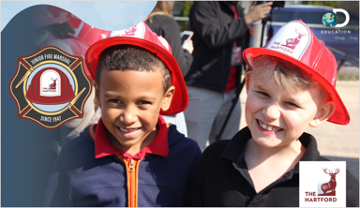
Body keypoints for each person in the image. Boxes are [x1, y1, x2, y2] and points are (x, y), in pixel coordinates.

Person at [190, 20, 359, 206]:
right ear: (248, 84)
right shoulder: (215, 158)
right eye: (263, 94)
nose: (270, 113)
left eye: (290, 103)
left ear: (320, 113)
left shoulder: (326, 181)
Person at [42, 21, 201, 207]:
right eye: (115, 101)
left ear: (166, 99)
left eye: (143, 103)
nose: (128, 117)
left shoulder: (187, 155)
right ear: (98, 94)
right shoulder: (73, 155)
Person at [184, 1, 273, 151]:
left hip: (231, 91)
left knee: (228, 147)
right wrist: (247, 19)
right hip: (203, 88)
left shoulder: (236, 8)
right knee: (193, 148)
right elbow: (213, 37)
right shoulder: (204, 4)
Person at [144, 1, 194, 136]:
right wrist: (187, 52)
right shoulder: (167, 22)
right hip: (162, 104)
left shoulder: (135, 24)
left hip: (136, 101)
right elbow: (180, 68)